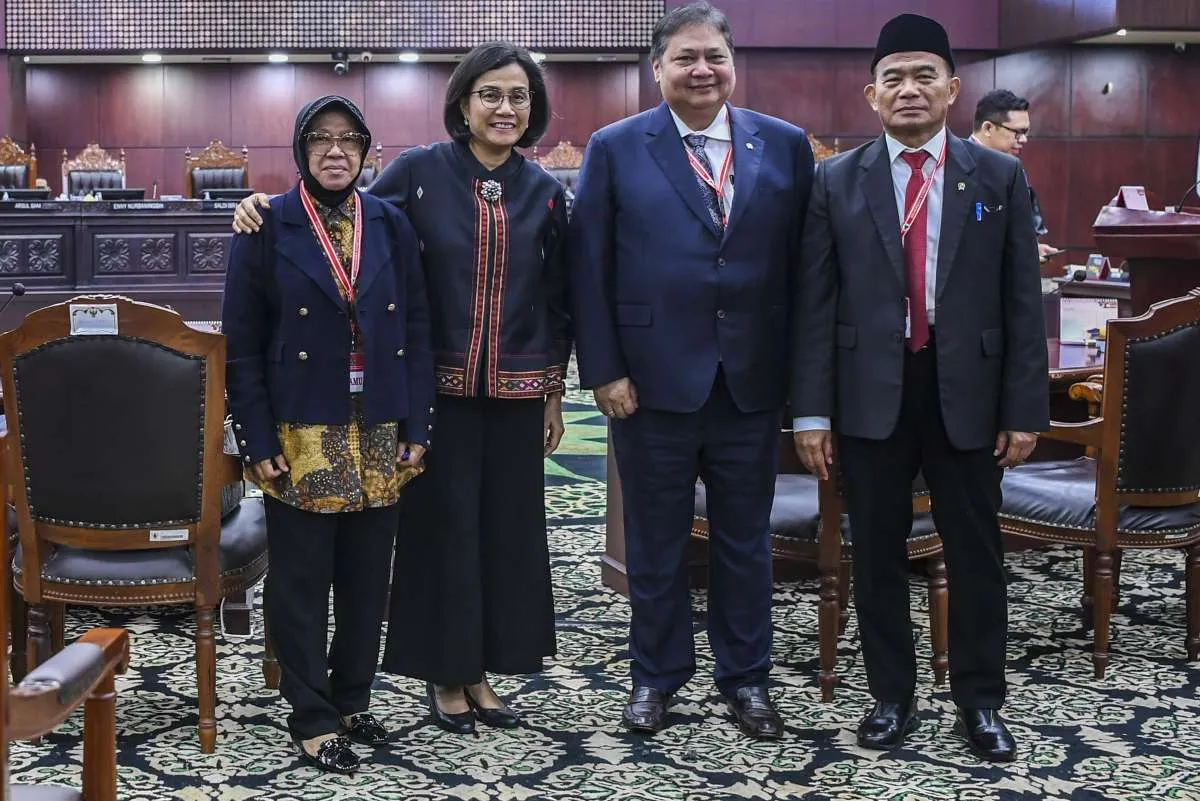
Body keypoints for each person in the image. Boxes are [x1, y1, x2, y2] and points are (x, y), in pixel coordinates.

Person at [232, 42, 570, 736]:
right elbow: (333, 224)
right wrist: (256, 205)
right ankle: (438, 672)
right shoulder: (417, 174)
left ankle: (474, 669)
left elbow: (561, 293)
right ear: (463, 104)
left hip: (501, 393)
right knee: (439, 538)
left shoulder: (547, 190)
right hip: (414, 397)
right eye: (490, 94)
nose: (505, 108)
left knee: (502, 537)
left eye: (518, 96)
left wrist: (555, 388)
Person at [792, 14, 1048, 762]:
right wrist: (811, 410)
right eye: (894, 78)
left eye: (924, 75)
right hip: (870, 391)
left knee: (976, 552)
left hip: (967, 391)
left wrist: (1023, 408)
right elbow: (815, 303)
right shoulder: (837, 178)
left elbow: (1021, 301)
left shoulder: (997, 174)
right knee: (874, 552)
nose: (910, 89)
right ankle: (891, 697)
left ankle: (980, 699)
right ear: (871, 95)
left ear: (953, 90)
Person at [570, 2, 813, 740]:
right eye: (685, 58)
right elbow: (589, 268)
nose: (701, 70)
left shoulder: (786, 144)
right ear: (658, 68)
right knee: (657, 542)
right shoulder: (615, 146)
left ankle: (747, 679)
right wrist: (604, 369)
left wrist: (803, 387)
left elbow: (805, 269)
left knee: (746, 542)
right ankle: (656, 676)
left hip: (750, 383)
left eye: (714, 56)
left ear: (733, 63)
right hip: (647, 384)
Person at [223, 95, 435, 773]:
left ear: (367, 150)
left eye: (349, 139)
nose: (335, 150)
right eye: (320, 139)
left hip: (377, 427)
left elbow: (419, 331)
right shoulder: (266, 224)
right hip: (300, 430)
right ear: (300, 149)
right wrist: (256, 439)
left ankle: (350, 698)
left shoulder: (393, 223)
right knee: (302, 583)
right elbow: (243, 346)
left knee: (368, 579)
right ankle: (311, 713)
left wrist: (417, 423)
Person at [971, 89, 1060, 261]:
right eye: (1017, 132)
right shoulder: (956, 165)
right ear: (988, 128)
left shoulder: (1011, 168)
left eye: (1025, 133)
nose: (1024, 140)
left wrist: (1030, 247)